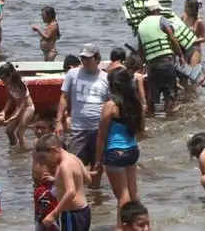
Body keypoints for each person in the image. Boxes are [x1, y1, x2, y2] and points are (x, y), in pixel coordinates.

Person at [92, 68, 143, 228]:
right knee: (133, 193)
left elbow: (101, 135)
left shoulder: (110, 106)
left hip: (115, 152)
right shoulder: (136, 104)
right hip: (132, 150)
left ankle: (122, 227)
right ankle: (141, 223)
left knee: (123, 195)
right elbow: (141, 130)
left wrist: (98, 160)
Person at [55, 43, 109, 190]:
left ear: (97, 58)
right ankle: (76, 193)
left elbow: (110, 104)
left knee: (97, 164)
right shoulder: (73, 74)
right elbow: (64, 98)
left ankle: (96, 194)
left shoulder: (106, 77)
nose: (84, 61)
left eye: (88, 58)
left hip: (99, 130)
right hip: (78, 128)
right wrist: (59, 121)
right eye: (82, 58)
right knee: (73, 163)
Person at [135, 0, 184, 115]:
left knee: (153, 92)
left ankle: (151, 115)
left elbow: (141, 48)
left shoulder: (140, 26)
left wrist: (142, 64)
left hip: (152, 65)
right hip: (166, 62)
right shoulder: (162, 20)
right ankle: (168, 116)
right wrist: (180, 55)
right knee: (169, 93)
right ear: (156, 10)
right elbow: (172, 38)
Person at [35, 134, 92, 231]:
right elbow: (88, 180)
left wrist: (53, 214)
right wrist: (58, 180)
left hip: (72, 213)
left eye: (44, 157)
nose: (44, 162)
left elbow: (71, 192)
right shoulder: (74, 158)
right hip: (83, 211)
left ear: (53, 150)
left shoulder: (64, 166)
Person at [0, 63, 36, 148]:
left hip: (28, 108)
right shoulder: (8, 84)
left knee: (19, 133)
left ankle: (23, 153)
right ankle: (13, 148)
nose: (3, 81)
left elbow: (23, 102)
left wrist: (15, 116)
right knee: (9, 130)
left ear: (10, 75)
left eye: (4, 79)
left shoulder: (21, 83)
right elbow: (10, 100)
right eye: (1, 79)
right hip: (19, 108)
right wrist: (3, 112)